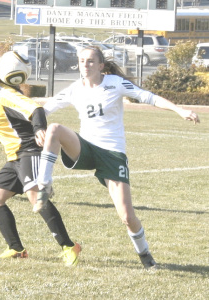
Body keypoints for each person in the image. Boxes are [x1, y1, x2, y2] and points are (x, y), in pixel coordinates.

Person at [36, 46, 200, 269]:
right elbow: (42, 110)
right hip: (85, 148)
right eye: (82, 60)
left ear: (101, 66)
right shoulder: (75, 89)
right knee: (53, 129)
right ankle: (44, 186)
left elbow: (149, 97)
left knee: (127, 217)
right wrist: (38, 128)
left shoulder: (114, 83)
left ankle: (146, 256)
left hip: (112, 155)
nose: (86, 64)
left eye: (91, 61)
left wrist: (180, 110)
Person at [0, 59, 81, 266]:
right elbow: (12, 126)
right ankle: (16, 248)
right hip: (14, 156)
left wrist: (39, 128)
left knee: (35, 198)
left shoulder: (5, 94)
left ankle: (69, 246)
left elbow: (35, 110)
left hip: (30, 151)